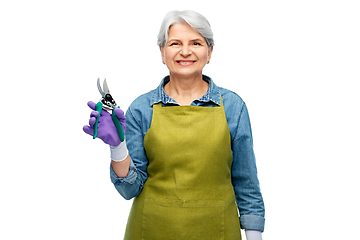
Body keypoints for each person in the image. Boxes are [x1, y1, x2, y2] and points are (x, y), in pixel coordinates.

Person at [84, 10, 265, 240]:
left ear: (209, 52)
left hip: (217, 232)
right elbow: (129, 189)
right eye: (175, 43)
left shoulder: (232, 107)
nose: (185, 51)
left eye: (196, 43)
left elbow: (247, 185)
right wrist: (117, 147)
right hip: (151, 231)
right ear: (162, 52)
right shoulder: (141, 109)